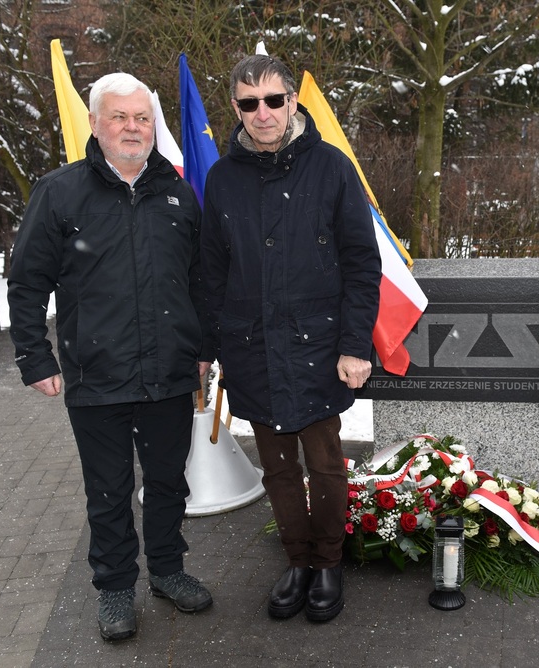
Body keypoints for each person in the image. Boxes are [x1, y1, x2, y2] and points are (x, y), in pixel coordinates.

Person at [8, 72, 213, 642]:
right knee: (108, 489)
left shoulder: (177, 192)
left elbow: (201, 279)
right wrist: (35, 358)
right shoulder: (60, 191)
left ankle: (168, 571)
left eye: (141, 117)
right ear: (95, 124)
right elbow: (26, 283)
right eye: (119, 117)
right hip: (96, 373)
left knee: (170, 483)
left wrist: (202, 348)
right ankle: (116, 587)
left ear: (153, 126)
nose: (131, 127)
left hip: (171, 373)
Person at [201, 54, 381, 623]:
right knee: (276, 464)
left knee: (324, 460)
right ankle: (297, 560)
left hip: (318, 345)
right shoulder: (222, 177)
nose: (263, 113)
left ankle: (328, 561)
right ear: (235, 108)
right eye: (249, 103)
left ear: (292, 103)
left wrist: (356, 344)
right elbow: (211, 270)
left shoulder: (330, 167)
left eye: (274, 100)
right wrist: (206, 350)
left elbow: (361, 262)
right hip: (251, 347)